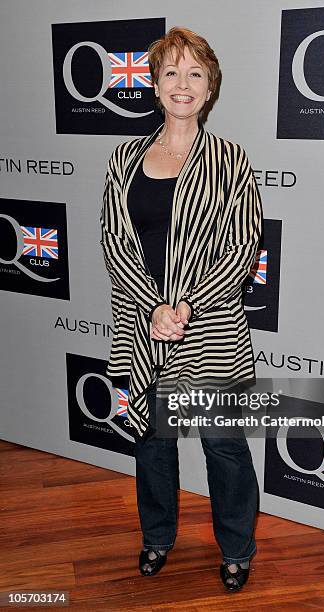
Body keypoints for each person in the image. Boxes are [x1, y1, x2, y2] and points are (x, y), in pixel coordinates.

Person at [100, 26, 263, 592]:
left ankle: (238, 547)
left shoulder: (231, 160)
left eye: (195, 73)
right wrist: (153, 310)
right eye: (171, 72)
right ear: (154, 85)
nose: (183, 83)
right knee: (151, 444)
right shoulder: (124, 158)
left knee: (224, 444)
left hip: (212, 326)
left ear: (210, 86)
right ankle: (158, 537)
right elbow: (113, 241)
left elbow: (242, 247)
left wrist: (184, 306)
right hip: (144, 329)